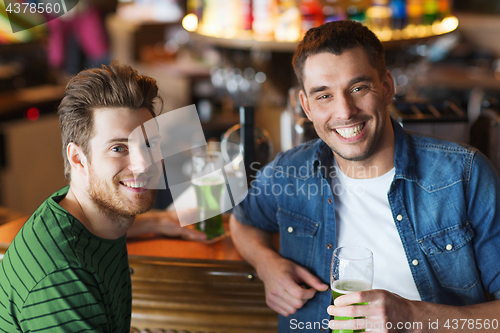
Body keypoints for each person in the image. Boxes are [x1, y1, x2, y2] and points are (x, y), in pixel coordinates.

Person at [230, 20, 500, 333]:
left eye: (358, 88)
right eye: (324, 96)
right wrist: (267, 265)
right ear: (305, 105)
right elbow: (243, 221)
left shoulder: (464, 175)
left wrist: (414, 318)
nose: (344, 112)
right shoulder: (289, 172)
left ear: (387, 86)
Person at [0, 62, 204, 332]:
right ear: (78, 159)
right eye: (119, 148)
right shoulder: (63, 277)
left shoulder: (83, 212)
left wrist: (156, 222)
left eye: (149, 144)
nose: (144, 164)